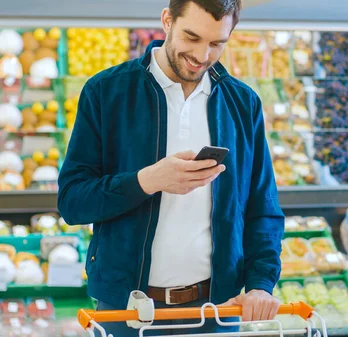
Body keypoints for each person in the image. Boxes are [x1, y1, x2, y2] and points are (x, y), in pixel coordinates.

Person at [57, 0, 285, 335]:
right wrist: (147, 180)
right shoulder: (107, 92)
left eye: (216, 43)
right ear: (167, 21)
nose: (202, 55)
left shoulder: (243, 103)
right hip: (126, 313)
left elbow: (262, 208)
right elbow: (73, 202)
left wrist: (261, 283)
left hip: (217, 312)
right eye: (191, 37)